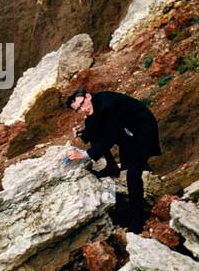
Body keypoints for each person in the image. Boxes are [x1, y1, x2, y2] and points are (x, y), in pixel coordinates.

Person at [64, 88, 160, 233]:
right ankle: (111, 166)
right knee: (94, 128)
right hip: (126, 130)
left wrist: (85, 155)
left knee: (133, 175)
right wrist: (83, 133)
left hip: (143, 130)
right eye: (78, 109)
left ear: (88, 96)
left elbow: (110, 137)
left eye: (82, 104)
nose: (83, 109)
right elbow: (94, 129)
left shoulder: (109, 105)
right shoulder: (94, 106)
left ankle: (137, 221)